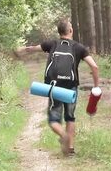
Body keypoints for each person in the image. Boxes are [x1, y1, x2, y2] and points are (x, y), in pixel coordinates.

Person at [25, 19, 99, 156]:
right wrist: (96, 87)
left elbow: (32, 49)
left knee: (54, 119)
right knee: (70, 117)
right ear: (70, 31)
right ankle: (70, 148)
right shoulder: (79, 47)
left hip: (54, 88)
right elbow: (94, 66)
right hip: (70, 88)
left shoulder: (51, 44)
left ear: (59, 32)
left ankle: (63, 135)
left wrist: (19, 51)